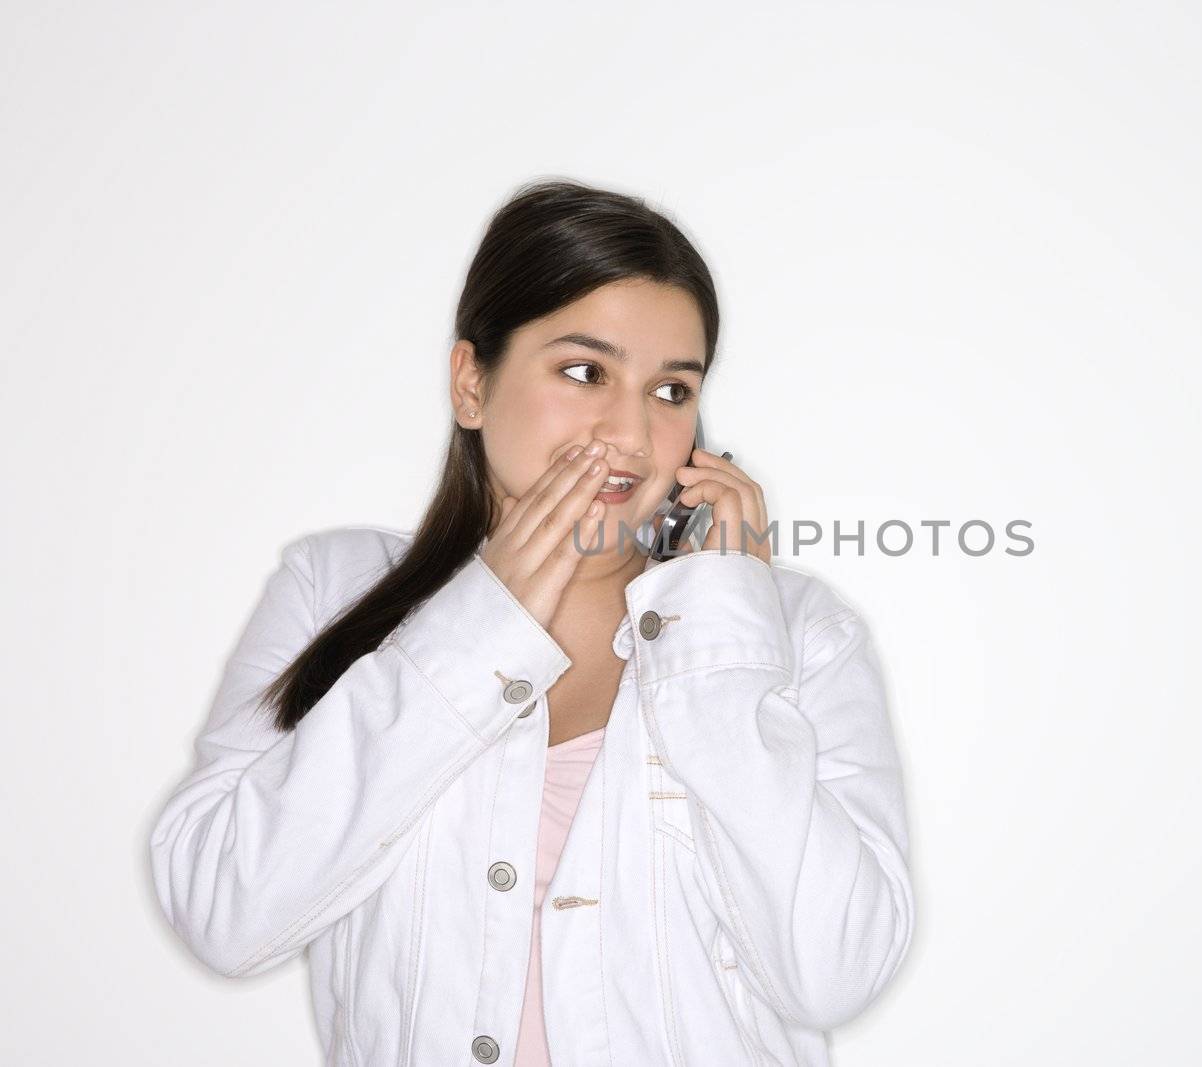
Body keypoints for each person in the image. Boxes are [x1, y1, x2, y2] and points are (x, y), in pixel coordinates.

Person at [147, 178, 915, 1065]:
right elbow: (225, 914)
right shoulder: (335, 590)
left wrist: (718, 638)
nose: (630, 432)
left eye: (671, 390)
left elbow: (835, 971)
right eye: (585, 372)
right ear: (471, 383)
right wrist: (481, 621)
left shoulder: (793, 634)